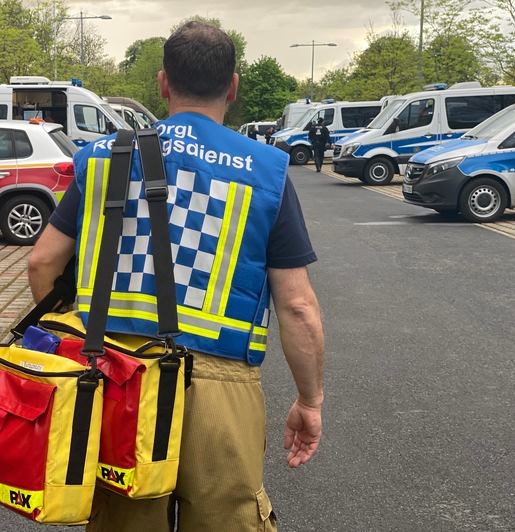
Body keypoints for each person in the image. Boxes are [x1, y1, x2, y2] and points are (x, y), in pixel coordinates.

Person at [28, 21, 324, 532]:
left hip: (117, 376)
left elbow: (42, 263)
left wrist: (71, 338)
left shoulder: (103, 158)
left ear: (163, 84)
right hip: (220, 387)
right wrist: (309, 400)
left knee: (123, 519)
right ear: (233, 86)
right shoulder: (267, 169)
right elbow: (297, 305)